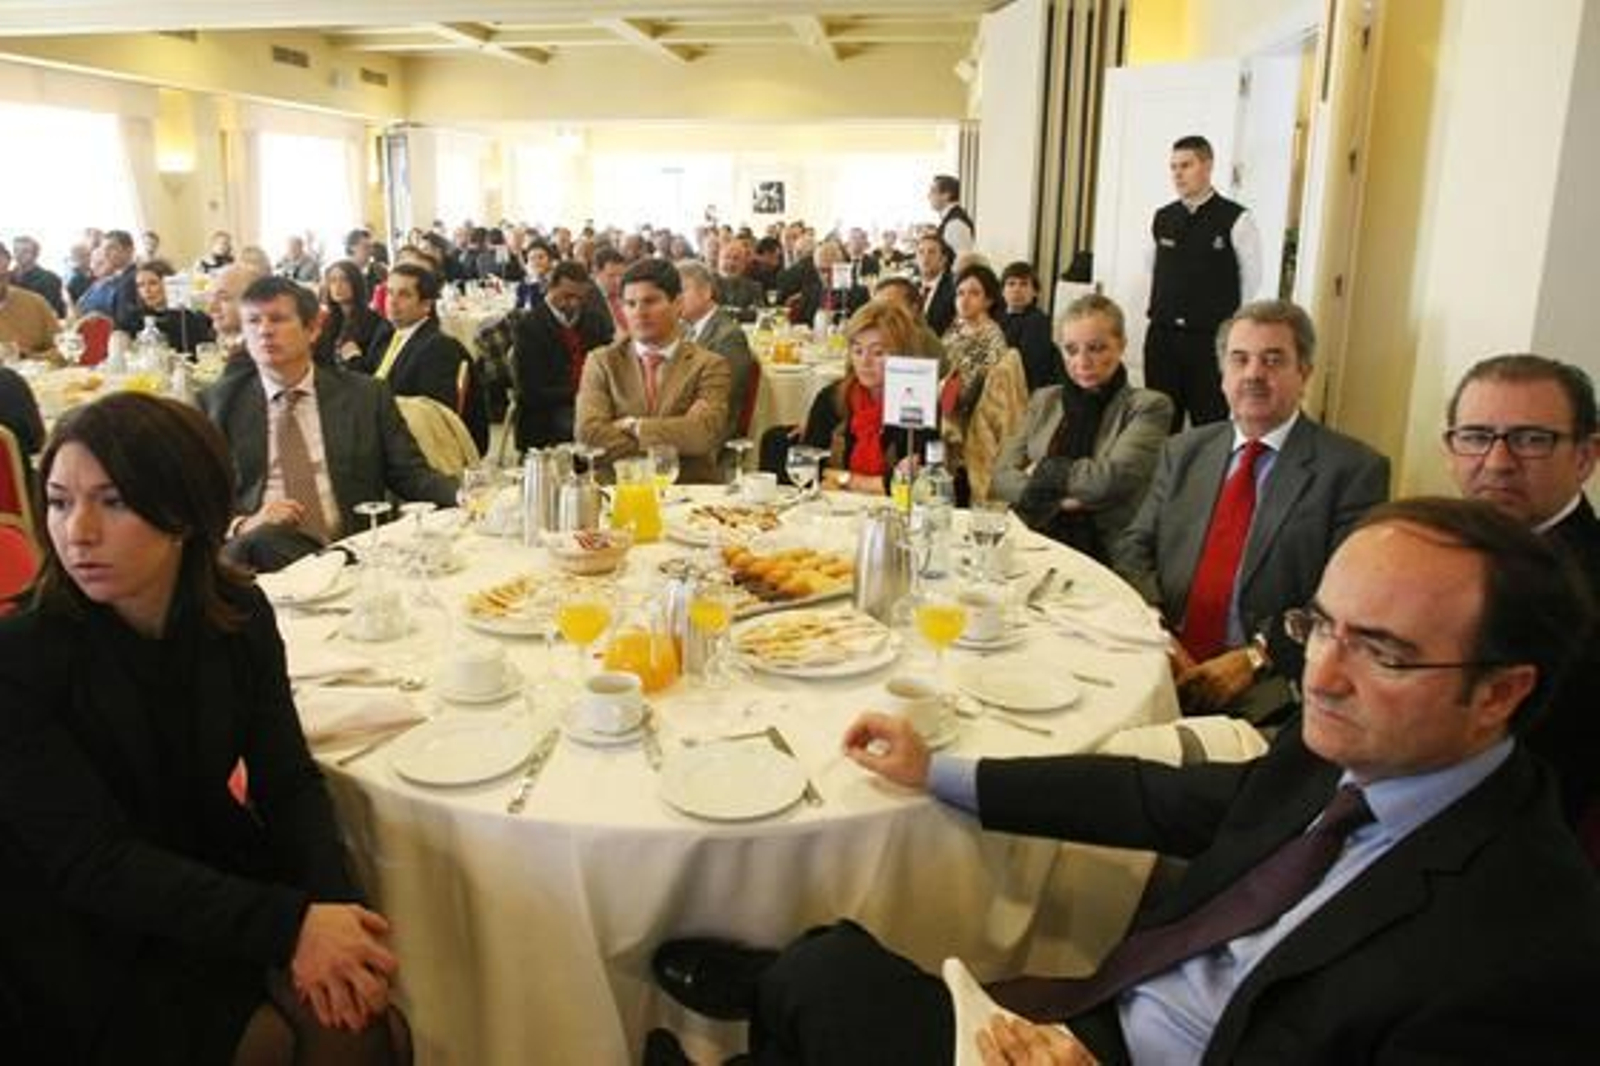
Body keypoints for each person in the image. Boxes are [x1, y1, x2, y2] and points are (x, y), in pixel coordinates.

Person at [648, 497, 1600, 1065]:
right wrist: (940, 770)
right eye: (1322, 627)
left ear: (1500, 694)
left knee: (822, 980)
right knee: (828, 963)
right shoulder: (1345, 752)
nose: (1322, 675)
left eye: (1383, 651)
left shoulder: (1527, 945)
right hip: (1109, 1014)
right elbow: (1163, 799)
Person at [0, 392, 411, 1064]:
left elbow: (287, 781)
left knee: (361, 1018)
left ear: (185, 512)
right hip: (79, 931)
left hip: (203, 877)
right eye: (57, 500)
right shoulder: (19, 657)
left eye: (112, 502)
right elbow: (92, 863)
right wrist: (290, 928)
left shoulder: (238, 614)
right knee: (278, 1043)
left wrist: (337, 914)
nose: (77, 531)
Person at [1113, 299, 1389, 722]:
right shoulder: (1185, 450)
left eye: (1273, 360)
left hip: (1268, 684)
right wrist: (1159, 633)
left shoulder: (1352, 471)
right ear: (1223, 374)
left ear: (1305, 373)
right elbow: (1135, 545)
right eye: (1239, 359)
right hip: (1160, 655)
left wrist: (1256, 657)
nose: (1254, 374)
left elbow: (1348, 600)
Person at [200, 276, 457, 571]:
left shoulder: (365, 395)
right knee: (262, 541)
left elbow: (411, 475)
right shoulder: (218, 406)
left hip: (354, 553)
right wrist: (246, 523)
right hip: (262, 565)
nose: (265, 331)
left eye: (278, 319)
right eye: (253, 321)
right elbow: (197, 503)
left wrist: (466, 495)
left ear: (313, 329)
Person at [1444, 353, 1600, 829]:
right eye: (1475, 436)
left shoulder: (1585, 588)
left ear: (1585, 457)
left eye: (1531, 440)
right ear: (1449, 448)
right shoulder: (1438, 544)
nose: (1497, 462)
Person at [991, 295, 1173, 561]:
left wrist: (1041, 471)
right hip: (1032, 538)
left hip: (1108, 550)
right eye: (1071, 350)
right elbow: (1000, 478)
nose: (1083, 361)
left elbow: (1106, 482)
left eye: (1097, 348)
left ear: (1121, 345)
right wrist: (1063, 501)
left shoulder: (1148, 406)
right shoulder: (1046, 399)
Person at [1144, 135, 1263, 432]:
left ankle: (1204, 479)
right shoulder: (1163, 217)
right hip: (1163, 337)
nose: (1178, 174)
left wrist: (1229, 328)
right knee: (1160, 421)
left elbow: (1251, 279)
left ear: (1207, 166)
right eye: (1173, 167)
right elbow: (1152, 267)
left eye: (1186, 165)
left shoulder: (1236, 218)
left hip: (1209, 340)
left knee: (1209, 423)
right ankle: (1164, 479)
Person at [574, 258, 730, 483]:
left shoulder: (709, 364)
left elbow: (702, 435)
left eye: (650, 301)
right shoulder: (602, 361)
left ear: (678, 304)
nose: (639, 312)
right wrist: (678, 433)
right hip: (618, 490)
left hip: (689, 493)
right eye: (630, 304)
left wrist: (633, 427)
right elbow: (588, 438)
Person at [761, 300, 938, 495]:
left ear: (902, 354)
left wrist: (841, 479)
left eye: (878, 352)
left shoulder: (918, 402)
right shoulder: (831, 399)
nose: (865, 361)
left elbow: (919, 483)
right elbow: (809, 469)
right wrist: (875, 483)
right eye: (857, 350)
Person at [356, 263, 487, 453]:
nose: (392, 301)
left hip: (411, 445)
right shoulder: (389, 335)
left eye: (404, 294)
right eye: (390, 292)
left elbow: (432, 416)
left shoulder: (438, 348)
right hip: (379, 426)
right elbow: (372, 378)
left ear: (426, 305)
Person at [938, 263, 1029, 503]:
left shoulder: (991, 336)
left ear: (988, 300)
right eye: (960, 293)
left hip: (972, 418)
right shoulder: (956, 329)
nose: (964, 300)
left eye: (974, 293)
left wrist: (941, 387)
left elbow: (973, 390)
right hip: (946, 405)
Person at [509, 259, 615, 449]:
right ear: (551, 287)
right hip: (549, 409)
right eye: (567, 296)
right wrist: (582, 394)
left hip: (593, 401)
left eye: (580, 298)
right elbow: (530, 391)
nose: (574, 303)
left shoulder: (594, 321)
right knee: (585, 431)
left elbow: (609, 365)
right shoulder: (529, 327)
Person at [677, 259, 754, 438]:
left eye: (682, 290)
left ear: (706, 292)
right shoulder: (686, 329)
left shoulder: (728, 337)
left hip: (711, 430)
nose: (676, 299)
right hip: (685, 417)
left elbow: (722, 397)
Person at [117, 260, 215, 354]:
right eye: (141, 285)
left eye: (153, 283)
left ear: (169, 284)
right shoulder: (134, 318)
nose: (146, 290)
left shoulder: (189, 319)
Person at [999, 261, 1063, 391]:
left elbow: (1032, 369)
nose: (1017, 289)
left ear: (1035, 292)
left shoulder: (1037, 321)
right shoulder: (997, 317)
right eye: (1011, 284)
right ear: (1002, 291)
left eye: (1024, 284)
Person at [318, 259, 383, 366]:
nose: (338, 286)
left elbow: (375, 368)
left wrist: (354, 357)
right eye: (332, 280)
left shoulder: (373, 321)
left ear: (356, 283)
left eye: (345, 280)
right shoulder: (326, 320)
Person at [0, 241, 60, 356]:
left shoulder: (35, 303)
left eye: (2, 277)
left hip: (36, 371)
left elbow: (60, 348)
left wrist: (31, 357)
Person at [207, 260, 269, 361]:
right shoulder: (234, 344)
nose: (211, 308)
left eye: (223, 298)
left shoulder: (260, 354)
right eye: (211, 297)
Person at [76, 230, 141, 324]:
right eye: (104, 249)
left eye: (111, 248)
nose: (105, 253)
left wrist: (101, 318)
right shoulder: (116, 278)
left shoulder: (135, 277)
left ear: (129, 250)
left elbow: (127, 320)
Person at [9, 235, 66, 317]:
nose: (19, 254)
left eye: (25, 251)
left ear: (36, 254)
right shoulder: (6, 277)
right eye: (16, 250)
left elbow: (55, 312)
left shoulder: (50, 279)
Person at [915, 233, 958, 337]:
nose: (925, 257)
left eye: (931, 252)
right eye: (921, 252)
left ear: (943, 259)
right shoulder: (911, 286)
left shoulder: (955, 288)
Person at [929, 173, 975, 254]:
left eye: (933, 191)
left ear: (946, 195)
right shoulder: (950, 219)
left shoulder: (955, 224)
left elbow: (962, 260)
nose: (928, 196)